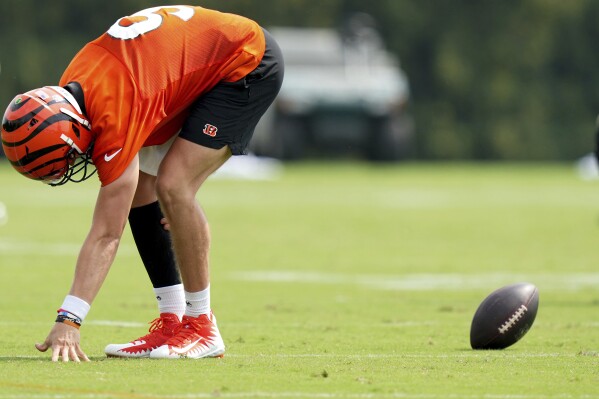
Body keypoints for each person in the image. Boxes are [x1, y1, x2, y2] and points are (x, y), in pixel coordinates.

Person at [0, 5, 284, 361]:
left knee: (174, 187)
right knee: (141, 192)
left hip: (246, 60)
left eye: (69, 158)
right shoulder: (76, 86)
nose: (76, 164)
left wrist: (69, 320)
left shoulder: (112, 111)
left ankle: (202, 327)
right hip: (190, 67)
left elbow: (106, 233)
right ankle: (172, 321)